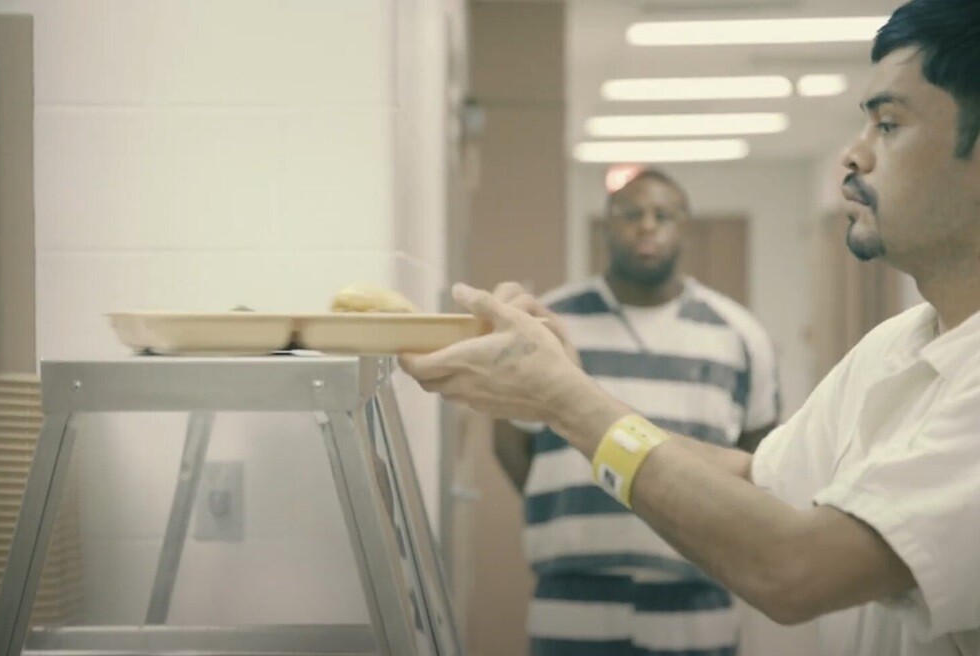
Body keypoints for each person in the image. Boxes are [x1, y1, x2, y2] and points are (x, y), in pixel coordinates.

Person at [401, 1, 980, 653]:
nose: (853, 155)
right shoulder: (894, 347)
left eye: (889, 125)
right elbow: (756, 479)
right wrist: (561, 398)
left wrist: (567, 399)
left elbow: (795, 568)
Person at [493, 167, 779, 656]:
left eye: (663, 215)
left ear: (684, 228)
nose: (647, 226)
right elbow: (512, 442)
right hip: (571, 595)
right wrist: (572, 500)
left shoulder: (739, 333)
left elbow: (760, 454)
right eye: (631, 214)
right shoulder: (550, 322)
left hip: (697, 597)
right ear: (605, 227)